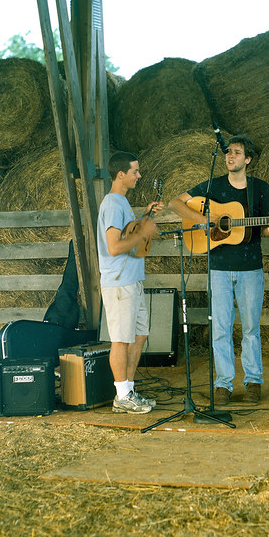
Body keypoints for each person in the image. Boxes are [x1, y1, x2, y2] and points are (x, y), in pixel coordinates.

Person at [167, 135, 269, 406]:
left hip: (250, 267)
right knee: (220, 328)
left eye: (237, 153)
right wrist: (204, 219)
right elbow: (175, 203)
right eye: (228, 152)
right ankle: (223, 384)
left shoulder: (260, 188)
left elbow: (264, 229)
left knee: (251, 328)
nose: (231, 157)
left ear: (248, 159)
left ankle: (253, 381)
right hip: (218, 268)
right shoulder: (213, 185)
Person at [97, 151, 165, 414]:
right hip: (119, 282)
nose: (139, 175)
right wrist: (144, 233)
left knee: (139, 335)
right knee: (121, 340)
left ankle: (129, 391)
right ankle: (122, 396)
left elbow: (128, 231)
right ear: (121, 174)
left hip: (132, 280)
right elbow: (114, 247)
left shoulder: (122, 203)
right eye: (135, 171)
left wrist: (144, 216)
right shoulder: (113, 204)